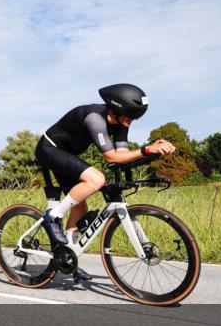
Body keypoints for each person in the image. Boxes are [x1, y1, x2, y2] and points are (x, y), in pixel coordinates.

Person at [34, 83, 176, 281]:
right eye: (129, 116)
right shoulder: (95, 118)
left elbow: (123, 156)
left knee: (79, 206)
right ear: (117, 109)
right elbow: (111, 158)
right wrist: (146, 149)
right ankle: (54, 215)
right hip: (49, 150)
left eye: (134, 118)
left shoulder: (121, 123)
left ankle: (68, 257)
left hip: (67, 154)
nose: (130, 122)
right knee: (97, 179)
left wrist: (153, 152)